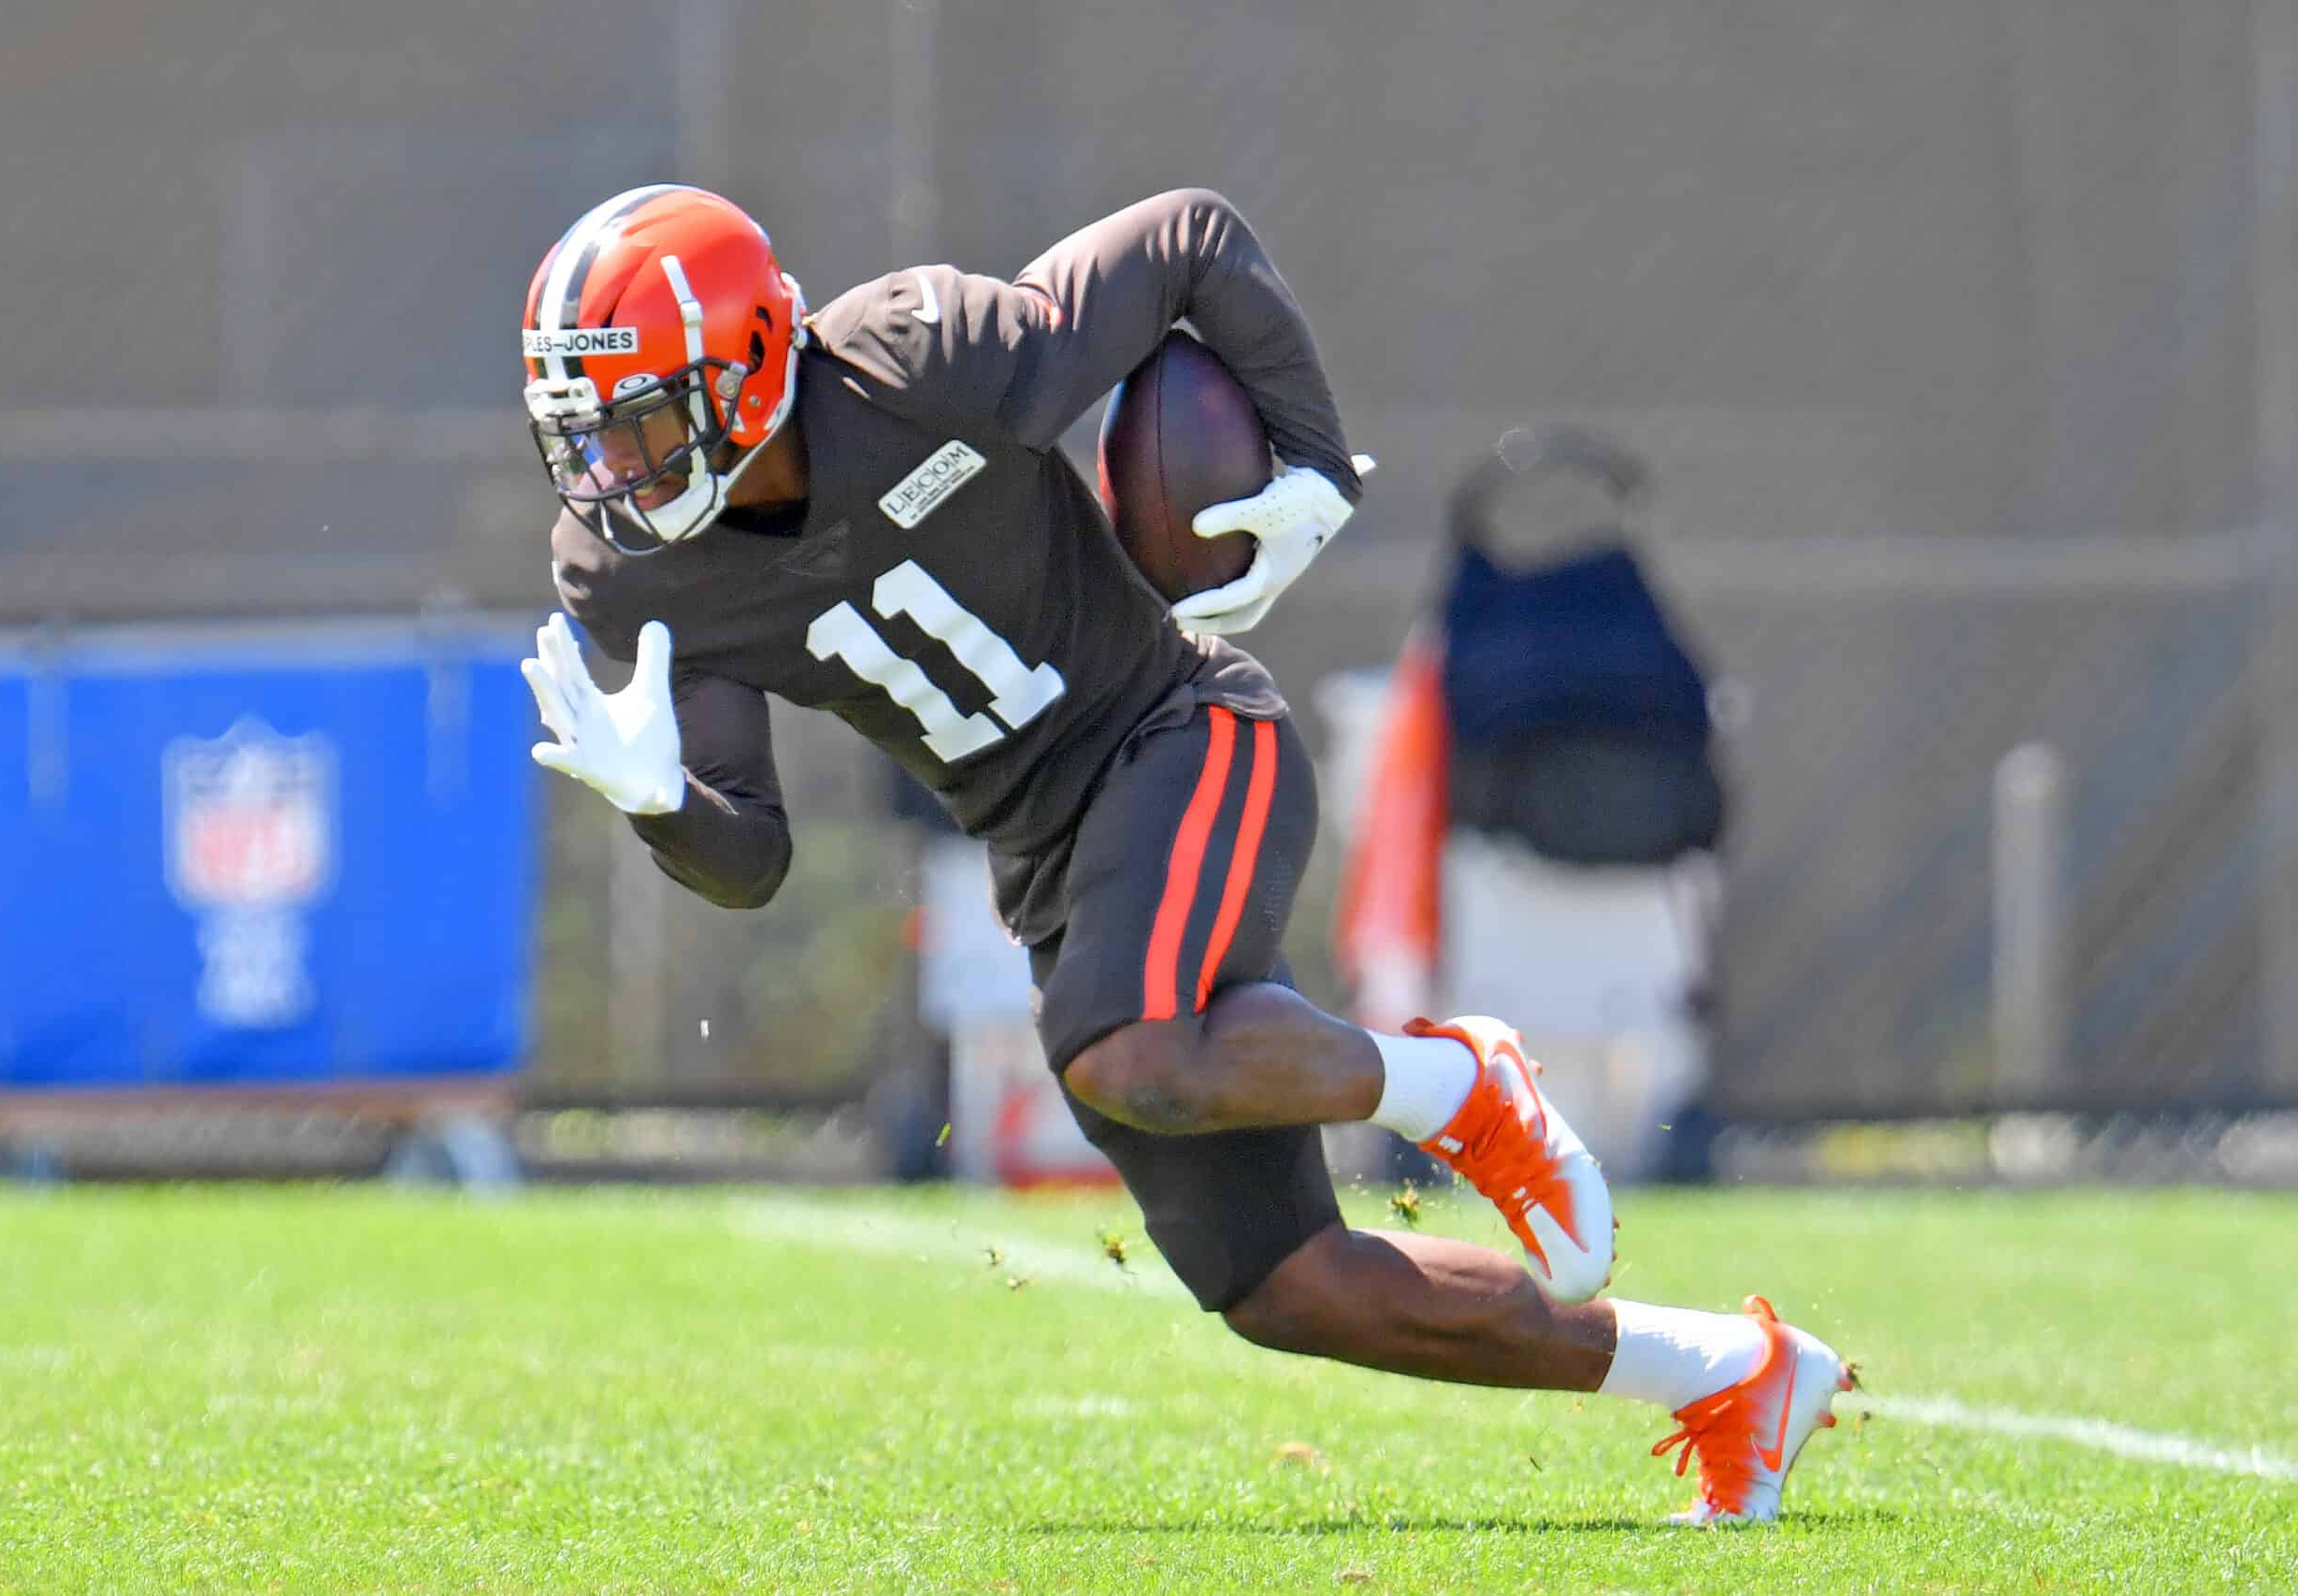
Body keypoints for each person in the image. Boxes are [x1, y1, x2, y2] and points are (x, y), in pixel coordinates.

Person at [515, 184, 1850, 1523]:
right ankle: (1732, 1373)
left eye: (635, 421)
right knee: (1285, 1283)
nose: (611, 471)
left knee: (1133, 1050)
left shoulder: (908, 361)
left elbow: (1186, 241)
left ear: (746, 364)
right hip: (1052, 853)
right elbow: (751, 856)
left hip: (1181, 727)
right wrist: (661, 802)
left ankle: (1457, 1079)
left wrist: (1316, 461)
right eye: (585, 436)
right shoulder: (633, 569)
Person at [1337, 425, 1729, 1183]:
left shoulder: (1476, 652)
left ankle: (1431, 1130)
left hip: (1505, 904)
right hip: (1614, 909)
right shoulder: (1642, 654)